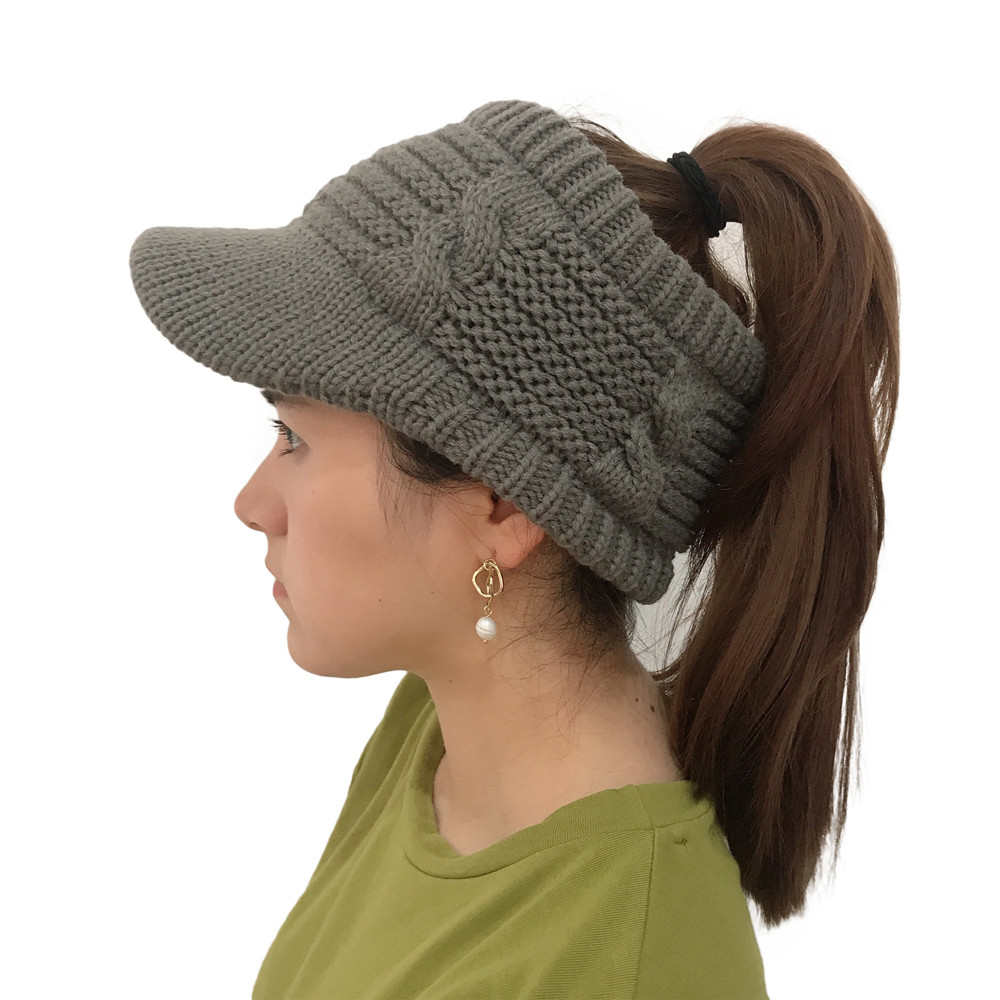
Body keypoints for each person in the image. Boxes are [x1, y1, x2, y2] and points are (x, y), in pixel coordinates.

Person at [129, 98, 899, 999]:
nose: (251, 505)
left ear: (502, 503)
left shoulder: (629, 963)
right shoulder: (438, 735)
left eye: (294, 438)